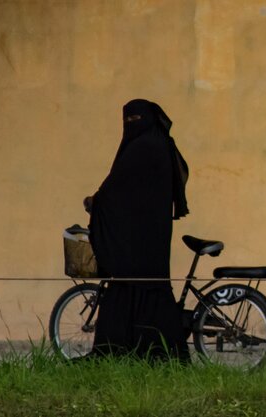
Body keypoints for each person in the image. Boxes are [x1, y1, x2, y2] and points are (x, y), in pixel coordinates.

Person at [84, 98, 190, 361]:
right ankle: (153, 351)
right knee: (151, 287)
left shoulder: (142, 147)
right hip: (154, 236)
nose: (130, 125)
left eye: (133, 120)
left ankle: (121, 351)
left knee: (128, 284)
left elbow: (117, 187)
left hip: (137, 242)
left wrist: (96, 202)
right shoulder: (161, 143)